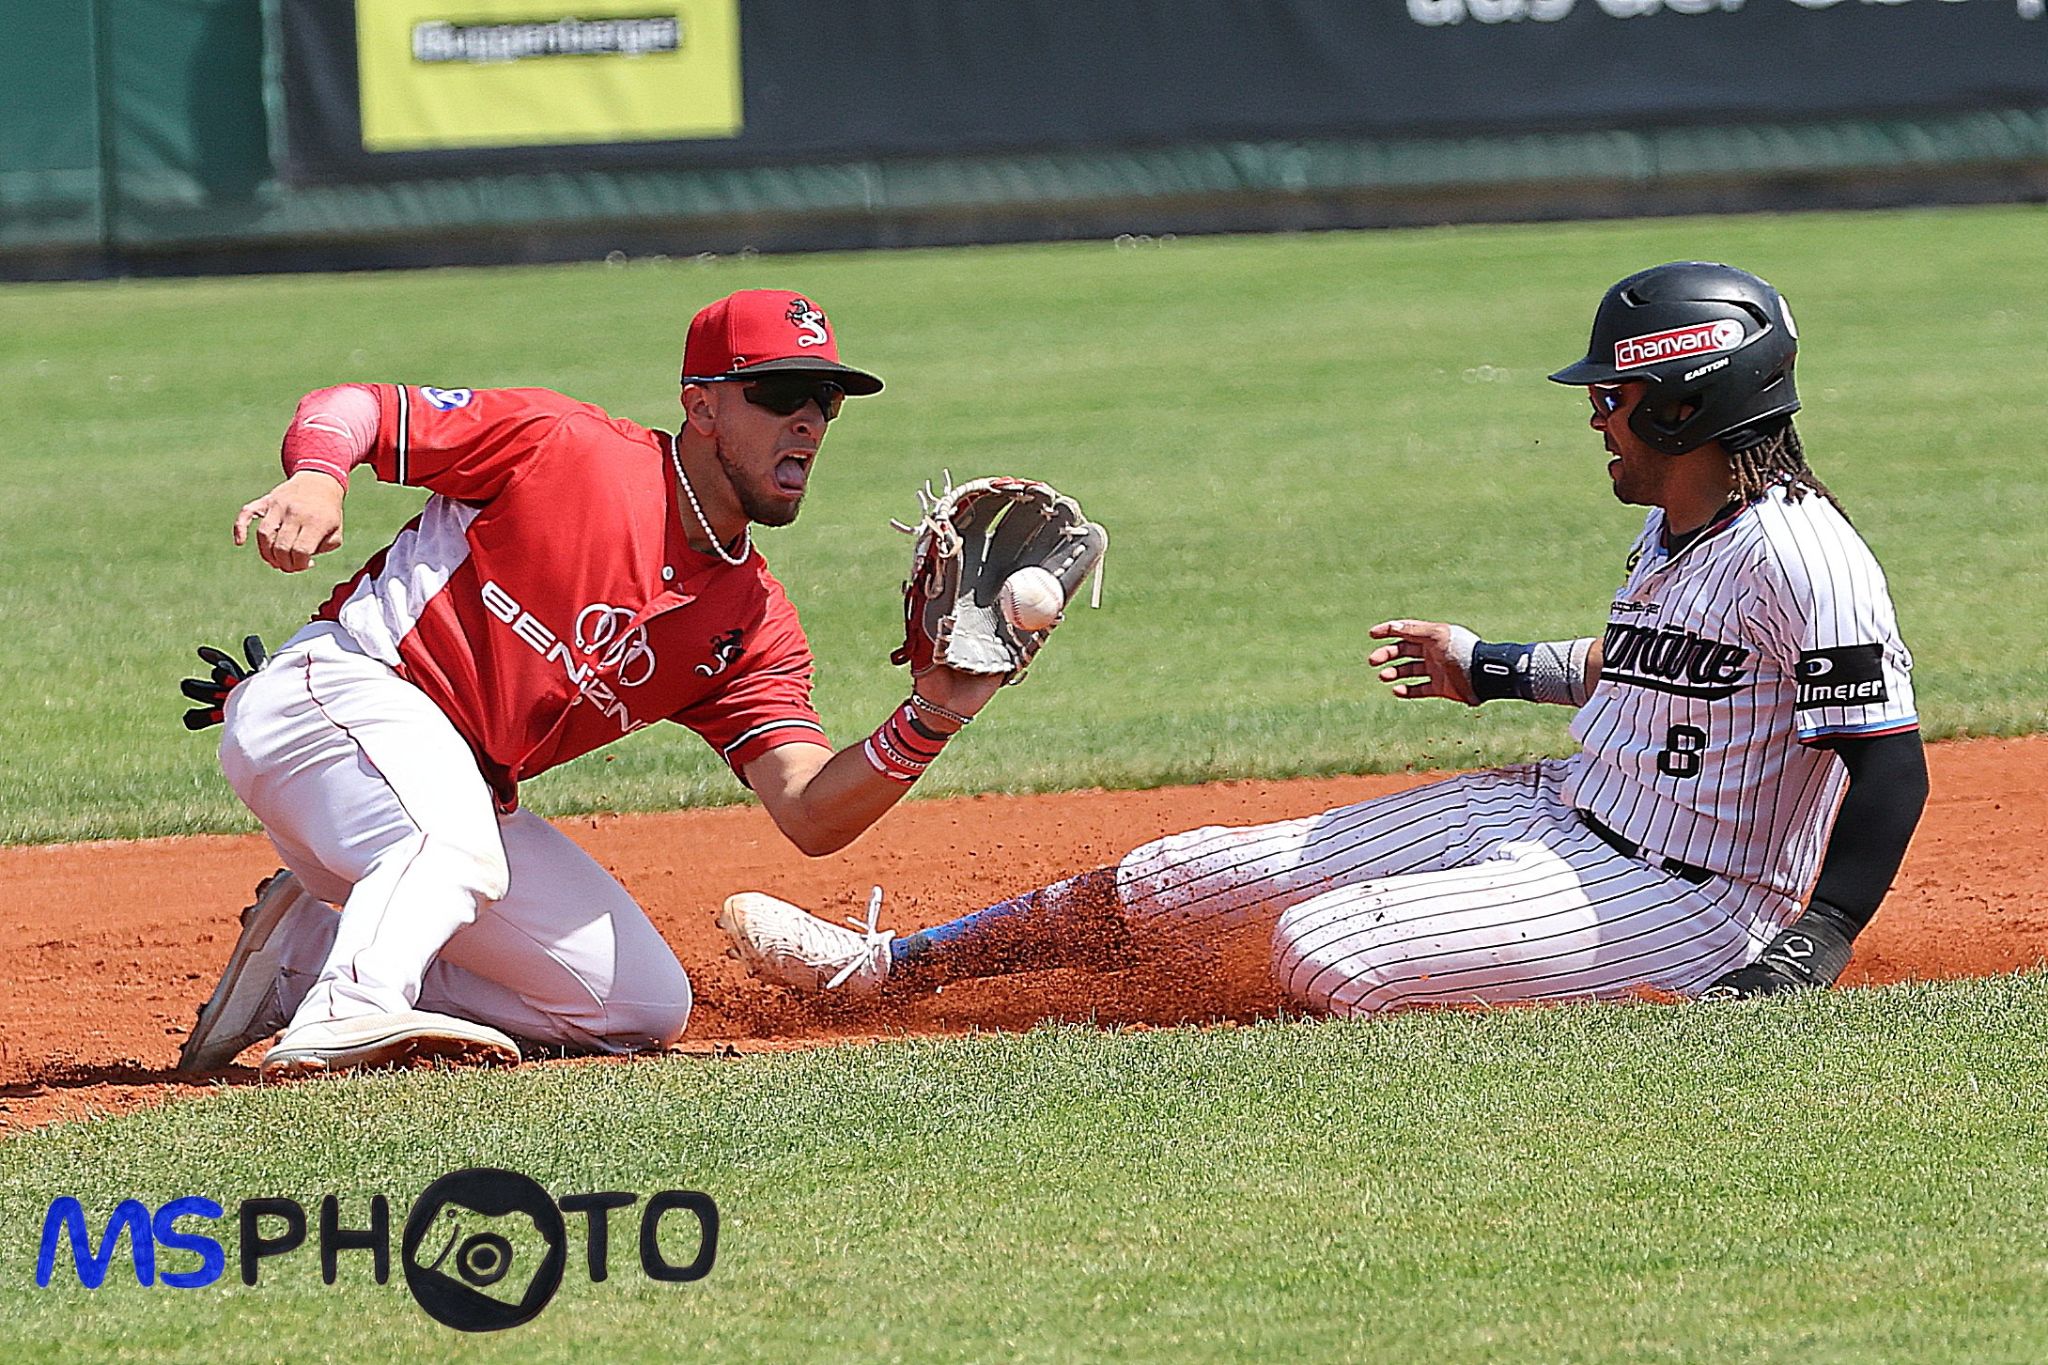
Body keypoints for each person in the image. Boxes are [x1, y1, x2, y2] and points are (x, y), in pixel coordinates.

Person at [719, 262, 1929, 1016]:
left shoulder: (1800, 555)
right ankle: (891, 968)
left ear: (1685, 403)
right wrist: (1492, 667)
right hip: (1558, 809)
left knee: (1326, 955)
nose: (1596, 419)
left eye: (1610, 398)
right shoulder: (1682, 529)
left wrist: (1809, 947)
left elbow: (1888, 760)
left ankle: (1583, 991)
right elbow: (1655, 670)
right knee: (1190, 873)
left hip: (1700, 900)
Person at [177, 289, 1012, 1076]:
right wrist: (321, 474)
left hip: (436, 802)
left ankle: (304, 958)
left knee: (638, 1005)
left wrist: (935, 712)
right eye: (779, 390)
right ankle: (349, 1007)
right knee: (453, 841)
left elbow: (810, 809)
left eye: (825, 400)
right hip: (340, 696)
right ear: (702, 404)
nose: (806, 419)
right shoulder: (564, 445)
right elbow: (356, 405)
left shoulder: (751, 619)